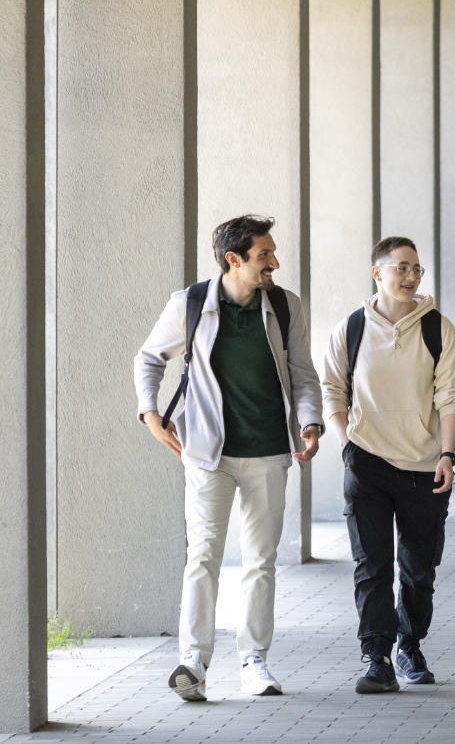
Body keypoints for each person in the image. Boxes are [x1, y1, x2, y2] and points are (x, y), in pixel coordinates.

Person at [134, 215, 323, 701]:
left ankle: (253, 659)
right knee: (203, 557)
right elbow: (149, 357)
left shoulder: (284, 306)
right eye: (265, 255)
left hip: (268, 452)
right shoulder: (191, 304)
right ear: (233, 259)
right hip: (206, 453)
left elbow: (303, 372)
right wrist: (151, 413)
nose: (274, 263)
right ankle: (193, 661)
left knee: (261, 561)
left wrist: (309, 421)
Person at [320, 237, 455, 694]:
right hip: (367, 463)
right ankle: (377, 656)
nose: (410, 277)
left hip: (425, 465)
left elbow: (450, 396)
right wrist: (348, 444)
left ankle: (410, 642)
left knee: (419, 568)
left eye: (416, 270)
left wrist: (447, 454)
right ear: (377, 273)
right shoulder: (351, 329)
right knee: (371, 567)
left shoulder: (437, 329)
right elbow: (332, 390)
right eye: (401, 268)